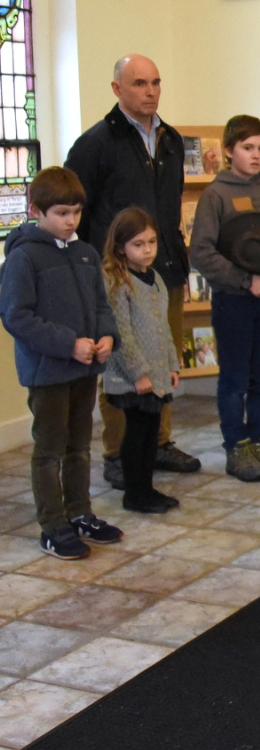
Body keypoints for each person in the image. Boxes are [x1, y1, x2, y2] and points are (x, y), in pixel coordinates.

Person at [65, 53, 201, 490]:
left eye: (156, 82)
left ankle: (157, 443)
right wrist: (92, 272)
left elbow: (171, 205)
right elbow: (78, 215)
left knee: (161, 357)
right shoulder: (95, 144)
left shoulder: (172, 140)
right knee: (124, 366)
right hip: (117, 277)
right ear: (117, 89)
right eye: (140, 83)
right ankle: (118, 453)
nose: (151, 91)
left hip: (163, 271)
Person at [0, 167, 124, 559]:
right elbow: (17, 317)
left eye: (76, 212)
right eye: (61, 213)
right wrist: (68, 345)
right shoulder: (23, 258)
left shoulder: (85, 253)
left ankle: (79, 512)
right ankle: (53, 524)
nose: (70, 221)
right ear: (36, 210)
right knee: (50, 449)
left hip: (85, 369)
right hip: (49, 371)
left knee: (79, 446)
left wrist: (106, 337)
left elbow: (102, 305)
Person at [188, 115, 260, 483]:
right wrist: (246, 280)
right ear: (228, 150)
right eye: (248, 148)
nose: (256, 155)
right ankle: (237, 448)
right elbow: (202, 252)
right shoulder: (215, 195)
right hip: (234, 300)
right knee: (235, 378)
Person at [101, 207, 182, 514]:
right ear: (121, 246)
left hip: (157, 374)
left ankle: (147, 489)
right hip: (131, 377)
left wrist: (172, 365)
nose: (147, 250)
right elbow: (120, 333)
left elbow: (164, 328)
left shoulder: (156, 278)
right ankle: (135, 494)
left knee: (151, 435)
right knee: (136, 434)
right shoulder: (117, 282)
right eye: (138, 244)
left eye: (151, 242)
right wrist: (138, 373)